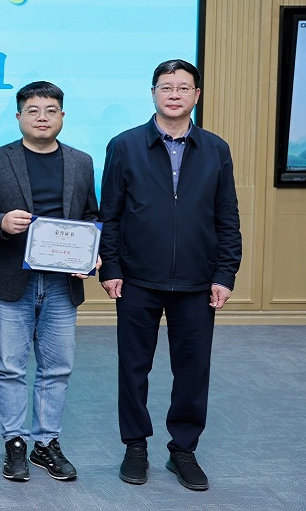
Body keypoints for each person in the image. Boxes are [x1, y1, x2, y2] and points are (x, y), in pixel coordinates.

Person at [99, 59, 241, 491]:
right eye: (166, 87)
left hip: (198, 282)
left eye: (183, 87)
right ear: (153, 93)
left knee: (193, 370)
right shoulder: (124, 146)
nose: (174, 94)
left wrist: (225, 273)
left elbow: (227, 217)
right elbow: (110, 214)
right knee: (133, 368)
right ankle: (135, 446)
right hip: (137, 279)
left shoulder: (215, 149)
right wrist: (112, 267)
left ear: (196, 94)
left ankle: (183, 450)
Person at [0, 81, 99, 483]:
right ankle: (15, 443)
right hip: (12, 279)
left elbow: (92, 217)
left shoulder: (81, 162)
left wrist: (92, 253)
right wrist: (1, 223)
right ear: (19, 116)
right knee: (11, 367)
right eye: (33, 110)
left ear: (62, 116)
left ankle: (46, 443)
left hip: (62, 283)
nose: (42, 117)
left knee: (57, 367)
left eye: (50, 110)